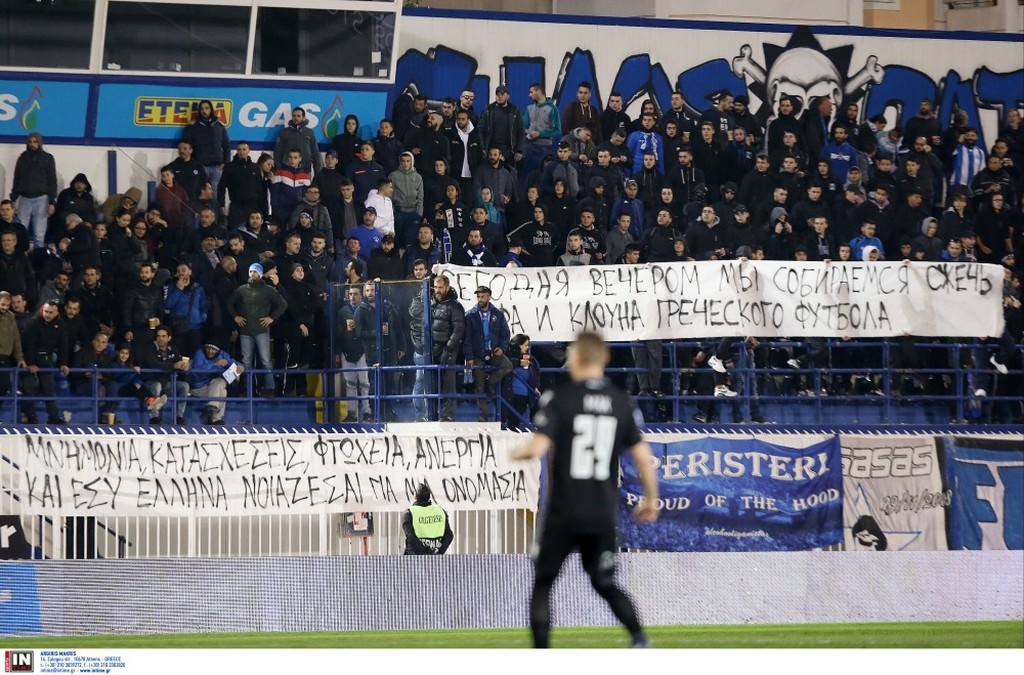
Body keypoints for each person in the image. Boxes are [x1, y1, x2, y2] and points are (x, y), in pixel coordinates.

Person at [511, 331, 658, 649]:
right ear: (605, 358)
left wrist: (515, 452)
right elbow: (644, 458)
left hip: (563, 512)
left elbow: (537, 447)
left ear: (574, 360)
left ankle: (541, 655)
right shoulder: (622, 403)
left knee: (544, 584)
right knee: (604, 582)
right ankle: (640, 640)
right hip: (601, 513)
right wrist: (651, 499)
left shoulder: (560, 398)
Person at [226, 262, 287, 397]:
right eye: (250, 271)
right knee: (246, 361)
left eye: (255, 271)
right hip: (245, 331)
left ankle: (270, 388)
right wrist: (236, 317)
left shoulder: (268, 290)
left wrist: (271, 317)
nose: (252, 274)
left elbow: (283, 304)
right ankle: (247, 389)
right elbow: (229, 303)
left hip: (262, 331)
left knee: (266, 361)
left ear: (260, 273)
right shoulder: (241, 290)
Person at [189, 342, 243, 424]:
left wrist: (240, 366)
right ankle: (216, 418)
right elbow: (198, 370)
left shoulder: (222, 354)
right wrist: (214, 364)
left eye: (213, 349)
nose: (210, 351)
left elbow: (232, 362)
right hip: (199, 388)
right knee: (222, 390)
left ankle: (212, 408)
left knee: (220, 382)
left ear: (218, 350)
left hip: (213, 388)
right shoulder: (199, 353)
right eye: (208, 348)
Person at [402, 482, 454, 555]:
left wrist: (425, 552)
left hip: (414, 557)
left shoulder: (409, 513)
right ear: (429, 496)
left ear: (415, 497)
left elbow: (411, 537)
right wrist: (439, 552)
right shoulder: (440, 511)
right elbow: (449, 535)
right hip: (435, 558)